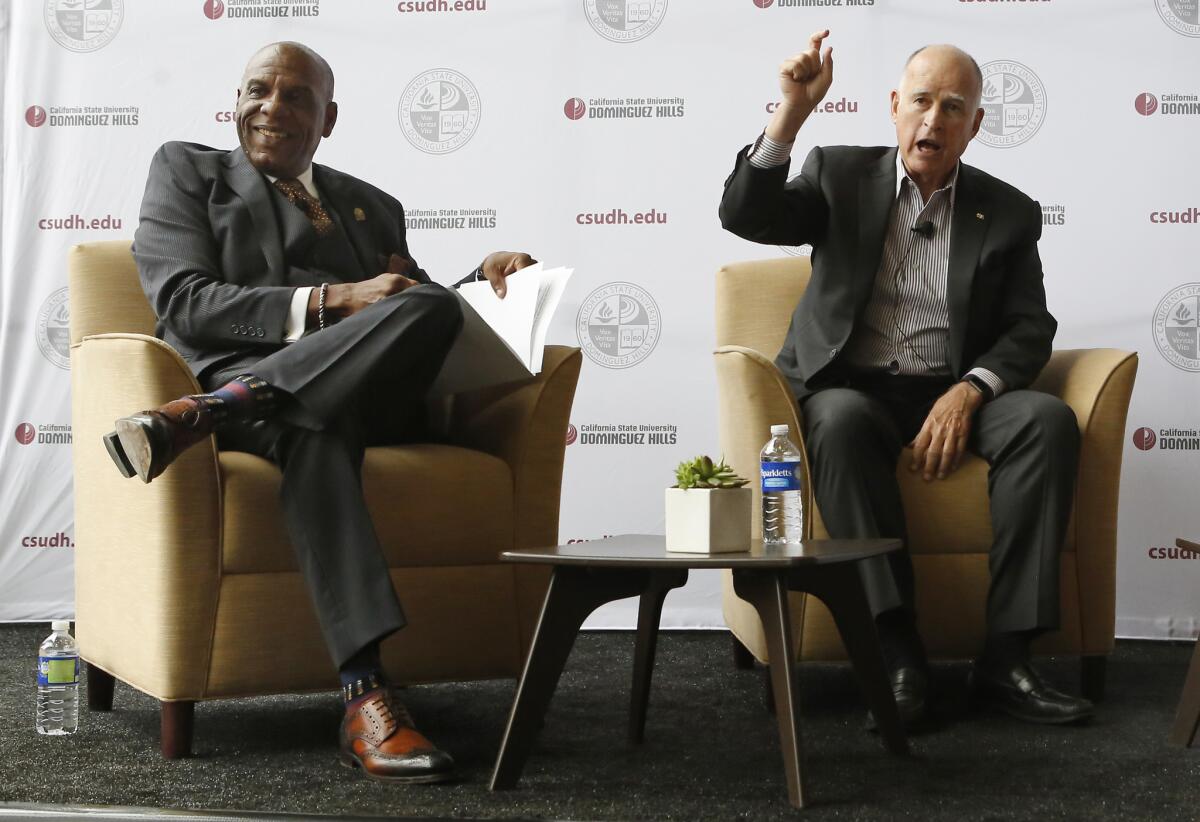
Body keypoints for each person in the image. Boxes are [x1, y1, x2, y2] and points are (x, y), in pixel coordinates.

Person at [103, 41, 537, 783]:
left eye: (296, 96)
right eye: (258, 89)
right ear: (235, 100)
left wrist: (483, 281)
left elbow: (418, 314)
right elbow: (182, 301)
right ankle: (365, 696)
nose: (272, 106)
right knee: (315, 423)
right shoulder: (188, 171)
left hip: (326, 399)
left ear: (328, 118)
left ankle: (207, 411)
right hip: (278, 397)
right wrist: (333, 297)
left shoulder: (372, 205)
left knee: (427, 309)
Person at [719, 31, 1093, 729]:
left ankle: (1007, 659)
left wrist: (972, 388)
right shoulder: (840, 174)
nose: (935, 119)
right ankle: (894, 651)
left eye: (955, 107)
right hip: (852, 387)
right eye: (922, 101)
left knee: (1046, 422)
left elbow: (1028, 328)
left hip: (954, 389)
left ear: (975, 125)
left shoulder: (1007, 212)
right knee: (837, 418)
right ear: (895, 107)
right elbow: (747, 215)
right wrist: (792, 113)